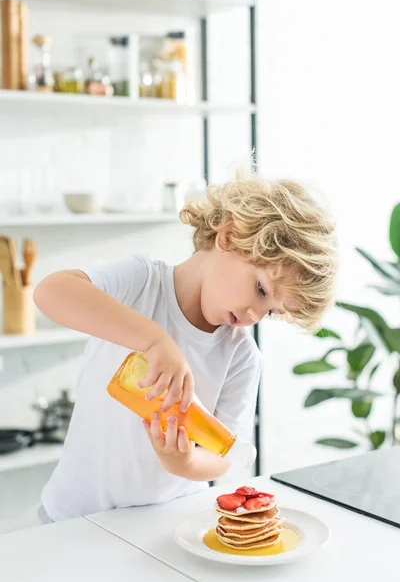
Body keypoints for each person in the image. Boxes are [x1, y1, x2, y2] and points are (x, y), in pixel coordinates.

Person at [34, 171, 337, 523]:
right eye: (260, 290)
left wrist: (185, 462)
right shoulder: (142, 282)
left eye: (271, 311)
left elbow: (226, 453)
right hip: (74, 517)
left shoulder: (241, 356)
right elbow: (50, 292)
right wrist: (154, 340)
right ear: (230, 237)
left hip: (166, 524)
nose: (255, 314)